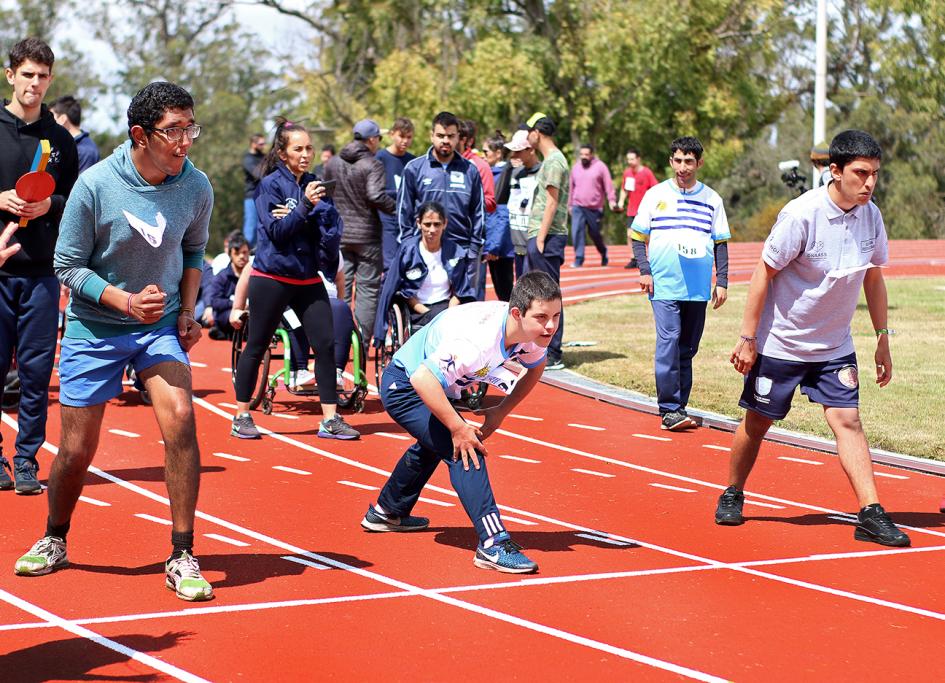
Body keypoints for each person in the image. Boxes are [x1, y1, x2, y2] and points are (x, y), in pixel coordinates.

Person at [14, 81, 214, 601]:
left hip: (159, 328)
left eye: (190, 128)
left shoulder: (197, 187)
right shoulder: (95, 185)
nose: (185, 141)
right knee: (77, 449)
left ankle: (183, 552)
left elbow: (194, 253)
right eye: (173, 131)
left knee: (182, 420)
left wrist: (187, 312)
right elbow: (66, 266)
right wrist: (123, 302)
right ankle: (55, 536)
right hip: (95, 327)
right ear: (140, 135)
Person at [715, 130, 910, 548]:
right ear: (834, 172)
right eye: (861, 173)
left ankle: (870, 512)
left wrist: (882, 337)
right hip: (783, 343)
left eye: (875, 174)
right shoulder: (802, 214)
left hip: (834, 346)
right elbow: (762, 273)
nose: (870, 183)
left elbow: (873, 277)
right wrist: (748, 338)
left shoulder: (871, 216)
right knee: (759, 421)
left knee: (849, 421)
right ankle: (733, 491)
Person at [361, 271, 561, 574]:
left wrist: (502, 410)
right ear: (518, 313)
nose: (551, 326)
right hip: (405, 385)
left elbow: (535, 367)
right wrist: (458, 428)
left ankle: (387, 511)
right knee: (466, 449)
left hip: (435, 384)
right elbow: (422, 378)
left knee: (432, 445)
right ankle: (492, 544)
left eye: (557, 316)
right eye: (542, 317)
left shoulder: (529, 333)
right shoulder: (476, 342)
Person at [229, 118, 359, 441]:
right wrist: (304, 208)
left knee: (326, 345)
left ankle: (329, 418)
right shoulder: (269, 185)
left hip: (306, 279)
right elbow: (277, 233)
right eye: (298, 149)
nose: (305, 154)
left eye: (309, 148)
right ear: (283, 153)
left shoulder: (316, 183)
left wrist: (317, 215)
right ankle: (241, 414)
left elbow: (327, 231)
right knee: (256, 345)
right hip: (271, 277)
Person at [0, 37, 79, 494]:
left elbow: (73, 202)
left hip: (40, 275)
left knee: (35, 371)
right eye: (27, 74)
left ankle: (26, 459)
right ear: (11, 75)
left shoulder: (60, 140)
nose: (35, 84)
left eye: (43, 76)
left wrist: (48, 204)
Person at [630, 136, 730, 431]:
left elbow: (721, 243)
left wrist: (721, 281)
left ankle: (680, 408)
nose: (683, 167)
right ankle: (669, 409)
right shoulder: (655, 195)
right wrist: (644, 270)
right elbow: (638, 237)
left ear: (699, 163)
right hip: (663, 285)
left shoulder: (712, 199)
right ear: (671, 161)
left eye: (689, 161)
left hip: (697, 289)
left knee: (687, 348)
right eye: (678, 160)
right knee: (669, 341)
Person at [397, 111, 484, 298]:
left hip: (462, 251)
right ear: (432, 136)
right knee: (428, 305)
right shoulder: (414, 168)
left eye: (451, 136)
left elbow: (478, 212)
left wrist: (474, 248)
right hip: (425, 250)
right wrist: (408, 245)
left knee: (465, 307)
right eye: (441, 135)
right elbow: (403, 211)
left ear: (458, 138)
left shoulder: (471, 171)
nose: (446, 140)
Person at [324, 119, 395, 336]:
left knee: (340, 288)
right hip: (367, 237)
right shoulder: (372, 164)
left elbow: (325, 193)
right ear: (372, 140)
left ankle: (339, 341)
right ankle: (362, 344)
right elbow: (375, 195)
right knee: (367, 291)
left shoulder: (333, 163)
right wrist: (397, 207)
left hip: (339, 234)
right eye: (379, 139)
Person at [374, 201, 474, 342]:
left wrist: (449, 312)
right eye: (427, 224)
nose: (432, 230)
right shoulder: (408, 251)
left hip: (446, 307)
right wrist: (427, 312)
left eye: (437, 224)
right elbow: (395, 288)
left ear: (445, 224)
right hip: (417, 310)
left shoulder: (455, 251)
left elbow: (462, 291)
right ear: (418, 223)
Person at [524, 112, 568, 370]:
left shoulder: (553, 162)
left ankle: (553, 351)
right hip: (542, 234)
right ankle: (541, 347)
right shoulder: (552, 160)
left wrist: (540, 237)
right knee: (538, 293)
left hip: (547, 236)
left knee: (549, 294)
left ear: (537, 133)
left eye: (528, 131)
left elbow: (552, 201)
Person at [375, 117, 415, 269]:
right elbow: (376, 192)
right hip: (386, 218)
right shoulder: (380, 157)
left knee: (407, 261)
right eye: (401, 136)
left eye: (409, 137)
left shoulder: (412, 161)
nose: (405, 141)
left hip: (406, 218)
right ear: (392, 134)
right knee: (389, 263)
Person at [568, 143, 616, 268]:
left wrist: (611, 200)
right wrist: (569, 205)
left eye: (587, 154)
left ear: (592, 155)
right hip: (578, 205)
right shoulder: (575, 168)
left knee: (594, 234)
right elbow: (571, 188)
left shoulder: (600, 167)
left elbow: (608, 185)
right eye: (582, 154)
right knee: (577, 231)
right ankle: (579, 258)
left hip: (594, 208)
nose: (584, 156)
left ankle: (603, 251)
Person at [503, 129, 542, 279]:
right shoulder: (514, 173)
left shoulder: (543, 172)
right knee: (521, 287)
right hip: (517, 242)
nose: (514, 156)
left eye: (518, 151)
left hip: (534, 243)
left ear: (530, 149)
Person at [483, 132, 515, 301]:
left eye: (486, 151)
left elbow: (503, 213)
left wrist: (495, 246)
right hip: (491, 241)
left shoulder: (506, 174)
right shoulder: (486, 172)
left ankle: (516, 325)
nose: (483, 155)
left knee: (506, 292)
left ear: (498, 153)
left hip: (500, 245)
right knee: (500, 291)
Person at [617, 148, 658, 269]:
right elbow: (624, 189)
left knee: (647, 237)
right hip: (632, 209)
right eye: (628, 159)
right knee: (630, 234)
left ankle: (651, 258)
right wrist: (620, 202)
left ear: (638, 159)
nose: (630, 161)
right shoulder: (627, 173)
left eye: (632, 159)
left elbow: (655, 188)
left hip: (645, 210)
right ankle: (634, 258)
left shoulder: (647, 172)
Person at [204, 232, 250, 340]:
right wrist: (237, 303)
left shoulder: (254, 276)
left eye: (245, 252)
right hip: (227, 315)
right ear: (230, 254)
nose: (242, 256)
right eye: (237, 253)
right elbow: (215, 301)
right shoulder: (222, 277)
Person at [49, 95, 100, 173]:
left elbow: (81, 184)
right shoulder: (62, 147)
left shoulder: (85, 151)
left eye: (50, 118)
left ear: (63, 119)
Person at [241, 133, 266, 247]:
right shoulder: (248, 159)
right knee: (251, 230)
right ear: (253, 144)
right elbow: (259, 174)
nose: (263, 146)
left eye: (264, 143)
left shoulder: (264, 157)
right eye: (261, 144)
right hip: (252, 197)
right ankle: (246, 252)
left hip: (265, 196)